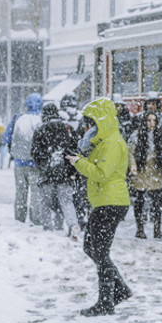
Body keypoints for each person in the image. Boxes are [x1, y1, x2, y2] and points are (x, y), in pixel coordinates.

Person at [66, 98, 132, 316]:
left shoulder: (112, 143)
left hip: (110, 202)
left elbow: (101, 174)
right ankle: (119, 289)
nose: (89, 127)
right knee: (91, 247)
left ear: (101, 120)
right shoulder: (104, 141)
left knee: (100, 251)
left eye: (92, 122)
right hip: (104, 201)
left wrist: (78, 162)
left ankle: (106, 302)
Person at [31, 103, 81, 238]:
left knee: (45, 202)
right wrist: (71, 170)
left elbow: (34, 152)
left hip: (46, 173)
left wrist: (42, 164)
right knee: (66, 201)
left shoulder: (40, 130)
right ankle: (73, 224)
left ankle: (48, 228)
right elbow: (74, 150)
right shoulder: (67, 129)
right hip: (64, 173)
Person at [128, 112, 162, 239]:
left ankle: (157, 229)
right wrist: (133, 166)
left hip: (156, 168)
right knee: (140, 199)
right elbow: (130, 152)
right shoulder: (137, 134)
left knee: (157, 200)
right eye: (149, 120)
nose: (152, 123)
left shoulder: (161, 134)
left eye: (154, 120)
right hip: (142, 168)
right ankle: (140, 229)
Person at [5, 93, 44, 224]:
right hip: (36, 165)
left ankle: (19, 218)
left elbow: (6, 137)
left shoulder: (17, 118)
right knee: (36, 193)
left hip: (19, 163)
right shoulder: (41, 120)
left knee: (20, 192)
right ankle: (36, 219)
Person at [59, 92, 89, 228]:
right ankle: (80, 217)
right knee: (78, 192)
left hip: (65, 159)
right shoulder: (80, 118)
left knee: (65, 193)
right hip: (77, 158)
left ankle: (65, 218)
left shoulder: (62, 117)